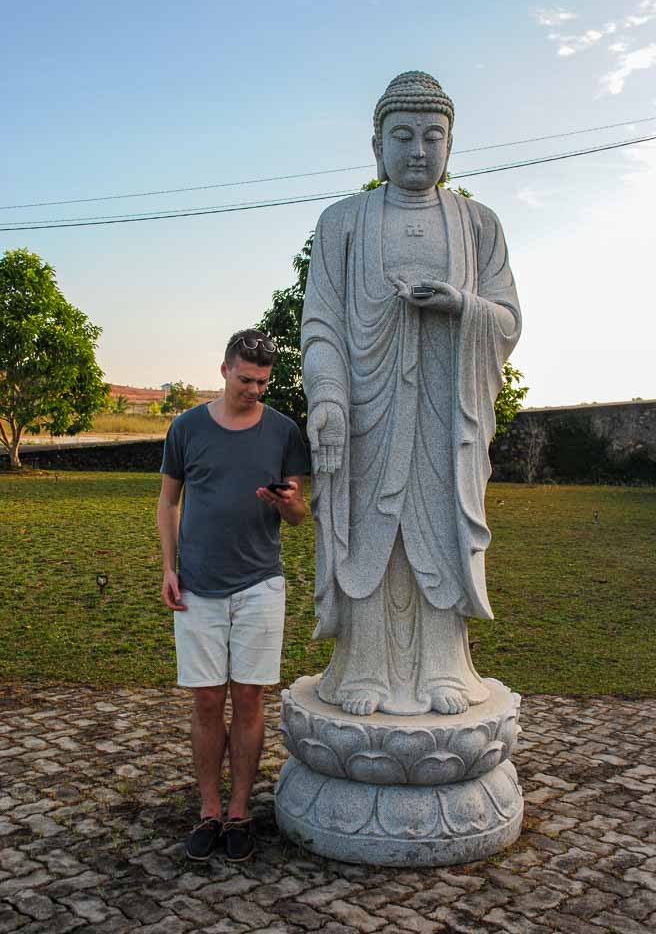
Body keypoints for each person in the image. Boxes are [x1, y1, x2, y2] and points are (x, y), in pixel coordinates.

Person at [302, 71, 522, 717]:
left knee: (438, 533)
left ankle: (443, 669)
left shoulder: (478, 225)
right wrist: (328, 399)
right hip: (367, 414)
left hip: (442, 416)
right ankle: (362, 667)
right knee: (368, 536)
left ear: (451, 145)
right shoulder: (341, 222)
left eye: (433, 136)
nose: (417, 150)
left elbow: (507, 320)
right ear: (375, 145)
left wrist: (460, 305)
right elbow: (321, 323)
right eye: (402, 135)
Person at [157, 329, 309, 861]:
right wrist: (169, 568)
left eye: (263, 382)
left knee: (248, 697)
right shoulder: (186, 427)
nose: (255, 390)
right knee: (205, 699)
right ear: (224, 370)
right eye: (246, 379)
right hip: (197, 585)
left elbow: (299, 514)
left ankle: (240, 812)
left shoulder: (285, 431)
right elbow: (168, 504)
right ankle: (208, 810)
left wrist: (286, 501)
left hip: (260, 584)